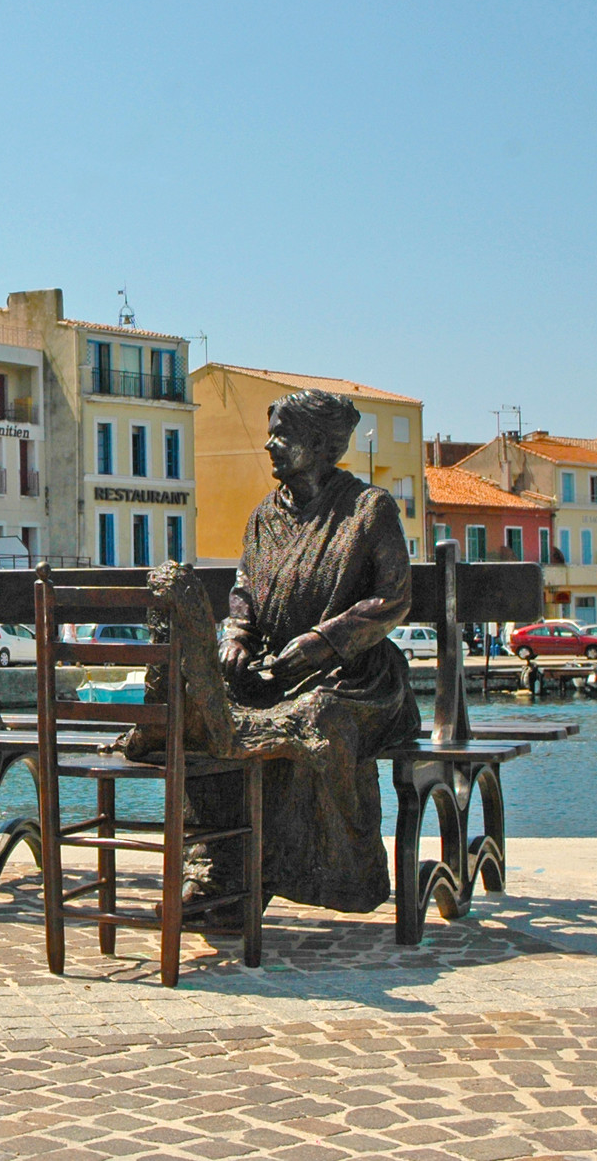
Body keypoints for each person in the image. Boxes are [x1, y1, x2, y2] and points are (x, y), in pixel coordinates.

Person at [199, 389, 420, 913]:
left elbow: (394, 598)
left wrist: (322, 643)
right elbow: (245, 590)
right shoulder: (263, 516)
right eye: (272, 434)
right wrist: (236, 636)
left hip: (356, 677)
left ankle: (344, 877)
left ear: (320, 444)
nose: (270, 446)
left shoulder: (368, 509)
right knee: (212, 713)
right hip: (275, 670)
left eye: (283, 435)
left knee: (313, 717)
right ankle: (221, 869)